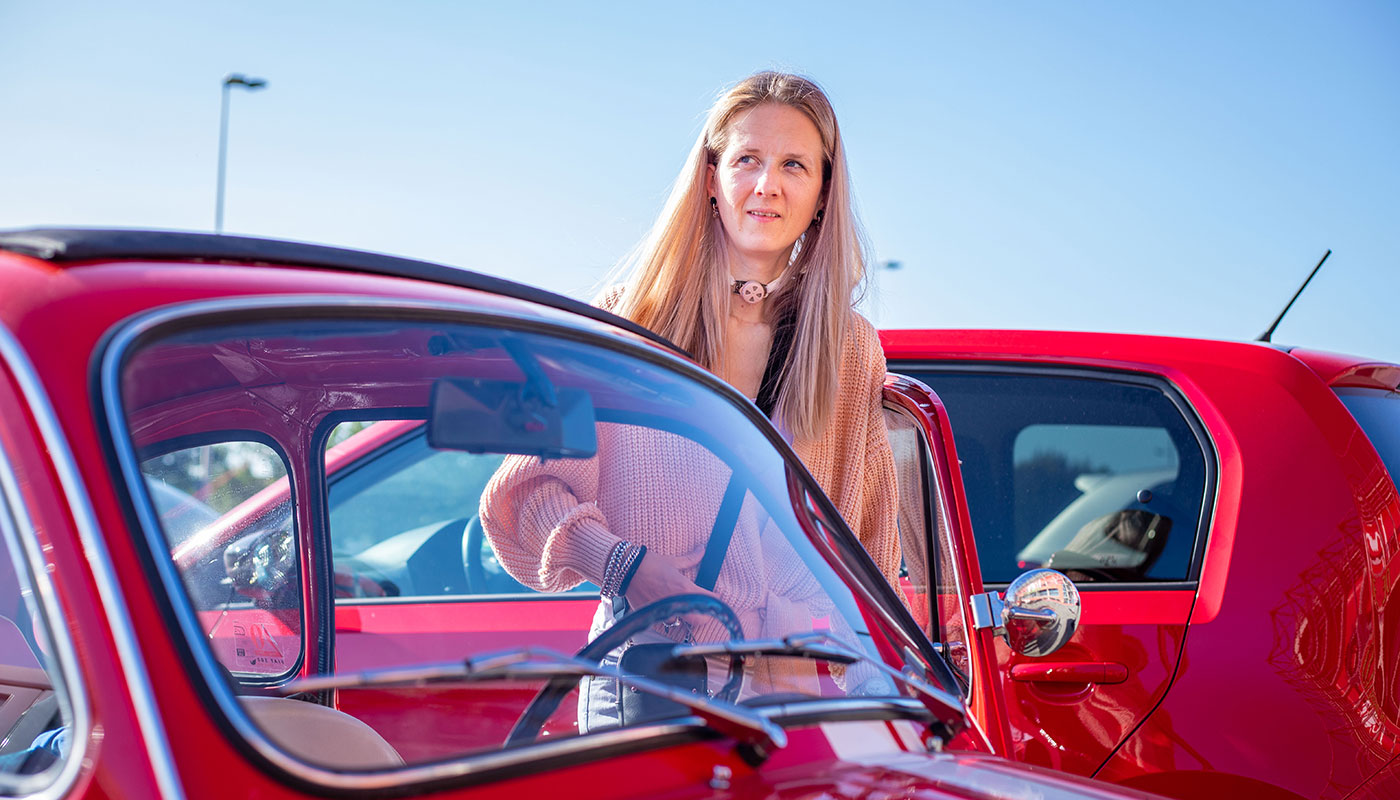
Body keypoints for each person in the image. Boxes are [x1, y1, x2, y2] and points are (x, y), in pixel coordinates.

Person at [479, 71, 900, 728]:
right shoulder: (624, 322)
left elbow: (867, 549)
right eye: (747, 160)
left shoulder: (847, 348)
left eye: (794, 164)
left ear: (821, 193)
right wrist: (624, 566)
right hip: (652, 682)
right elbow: (523, 493)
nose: (768, 184)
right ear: (711, 177)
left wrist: (881, 686)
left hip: (795, 694)